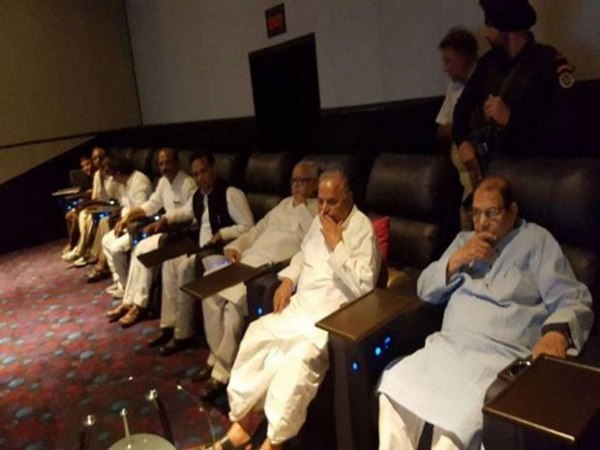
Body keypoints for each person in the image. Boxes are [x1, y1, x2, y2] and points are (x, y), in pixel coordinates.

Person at [377, 176, 594, 450]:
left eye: (492, 213)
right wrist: (457, 259)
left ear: (512, 211)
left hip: (497, 358)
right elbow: (424, 288)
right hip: (447, 347)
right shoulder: (464, 241)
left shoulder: (536, 241)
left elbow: (572, 297)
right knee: (393, 390)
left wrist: (557, 335)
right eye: (476, 213)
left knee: (454, 430)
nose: (481, 222)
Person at [204, 170, 380, 450]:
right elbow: (302, 254)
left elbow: (365, 286)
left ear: (348, 198)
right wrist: (288, 279)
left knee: (296, 361)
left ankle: (274, 442)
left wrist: (337, 244)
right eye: (320, 201)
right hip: (300, 306)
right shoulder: (319, 222)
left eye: (332, 202)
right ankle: (243, 425)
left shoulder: (362, 229)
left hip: (329, 317)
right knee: (257, 336)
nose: (324, 209)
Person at [198, 161, 320, 402]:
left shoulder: (317, 210)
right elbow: (256, 230)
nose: (296, 186)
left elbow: (313, 243)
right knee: (209, 289)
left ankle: (220, 373)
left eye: (302, 181)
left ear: (315, 183)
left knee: (234, 306)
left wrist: (301, 207)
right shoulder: (283, 204)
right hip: (246, 259)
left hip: (268, 268)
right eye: (294, 181)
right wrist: (236, 246)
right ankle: (218, 355)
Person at [453, 0, 575, 185]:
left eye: (490, 26)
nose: (486, 34)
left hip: (535, 173)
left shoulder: (548, 62)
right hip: (493, 170)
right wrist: (462, 142)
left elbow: (564, 131)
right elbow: (461, 109)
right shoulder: (488, 63)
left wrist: (511, 119)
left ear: (505, 27)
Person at [147, 151, 254, 356]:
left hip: (224, 253)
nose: (199, 178)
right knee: (170, 263)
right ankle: (171, 327)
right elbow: (185, 212)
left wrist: (222, 233)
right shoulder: (198, 196)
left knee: (185, 268)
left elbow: (249, 226)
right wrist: (166, 220)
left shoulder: (230, 193)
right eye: (195, 174)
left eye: (203, 172)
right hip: (202, 250)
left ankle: (189, 338)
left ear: (213, 169)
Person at [105, 148, 196, 327]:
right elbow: (152, 205)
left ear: (177, 163)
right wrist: (129, 216)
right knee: (139, 247)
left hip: (183, 233)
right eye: (161, 164)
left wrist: (166, 220)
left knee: (146, 251)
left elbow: (191, 214)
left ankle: (140, 306)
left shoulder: (188, 183)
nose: (164, 167)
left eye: (167, 163)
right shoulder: (163, 182)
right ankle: (128, 301)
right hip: (166, 231)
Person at [436, 27, 478, 229]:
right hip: (459, 174)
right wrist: (458, 129)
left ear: (464, 58)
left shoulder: (484, 81)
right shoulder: (453, 88)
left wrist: (458, 129)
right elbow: (441, 129)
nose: (445, 68)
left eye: (448, 61)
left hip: (479, 169)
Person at [101, 155, 153, 298]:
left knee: (116, 248)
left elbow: (142, 211)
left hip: (141, 227)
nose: (113, 179)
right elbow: (125, 206)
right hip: (128, 225)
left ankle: (126, 288)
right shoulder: (125, 183)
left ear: (119, 173)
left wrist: (125, 222)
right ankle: (119, 281)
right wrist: (122, 221)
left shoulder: (139, 182)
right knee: (106, 240)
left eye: (113, 176)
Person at [62, 147, 118, 263]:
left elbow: (112, 198)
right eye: (95, 158)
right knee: (83, 214)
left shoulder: (112, 173)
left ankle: (80, 251)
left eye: (100, 158)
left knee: (88, 215)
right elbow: (96, 197)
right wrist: (87, 205)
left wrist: (87, 205)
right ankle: (82, 250)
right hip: (102, 205)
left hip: (112, 205)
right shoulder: (97, 175)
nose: (98, 161)